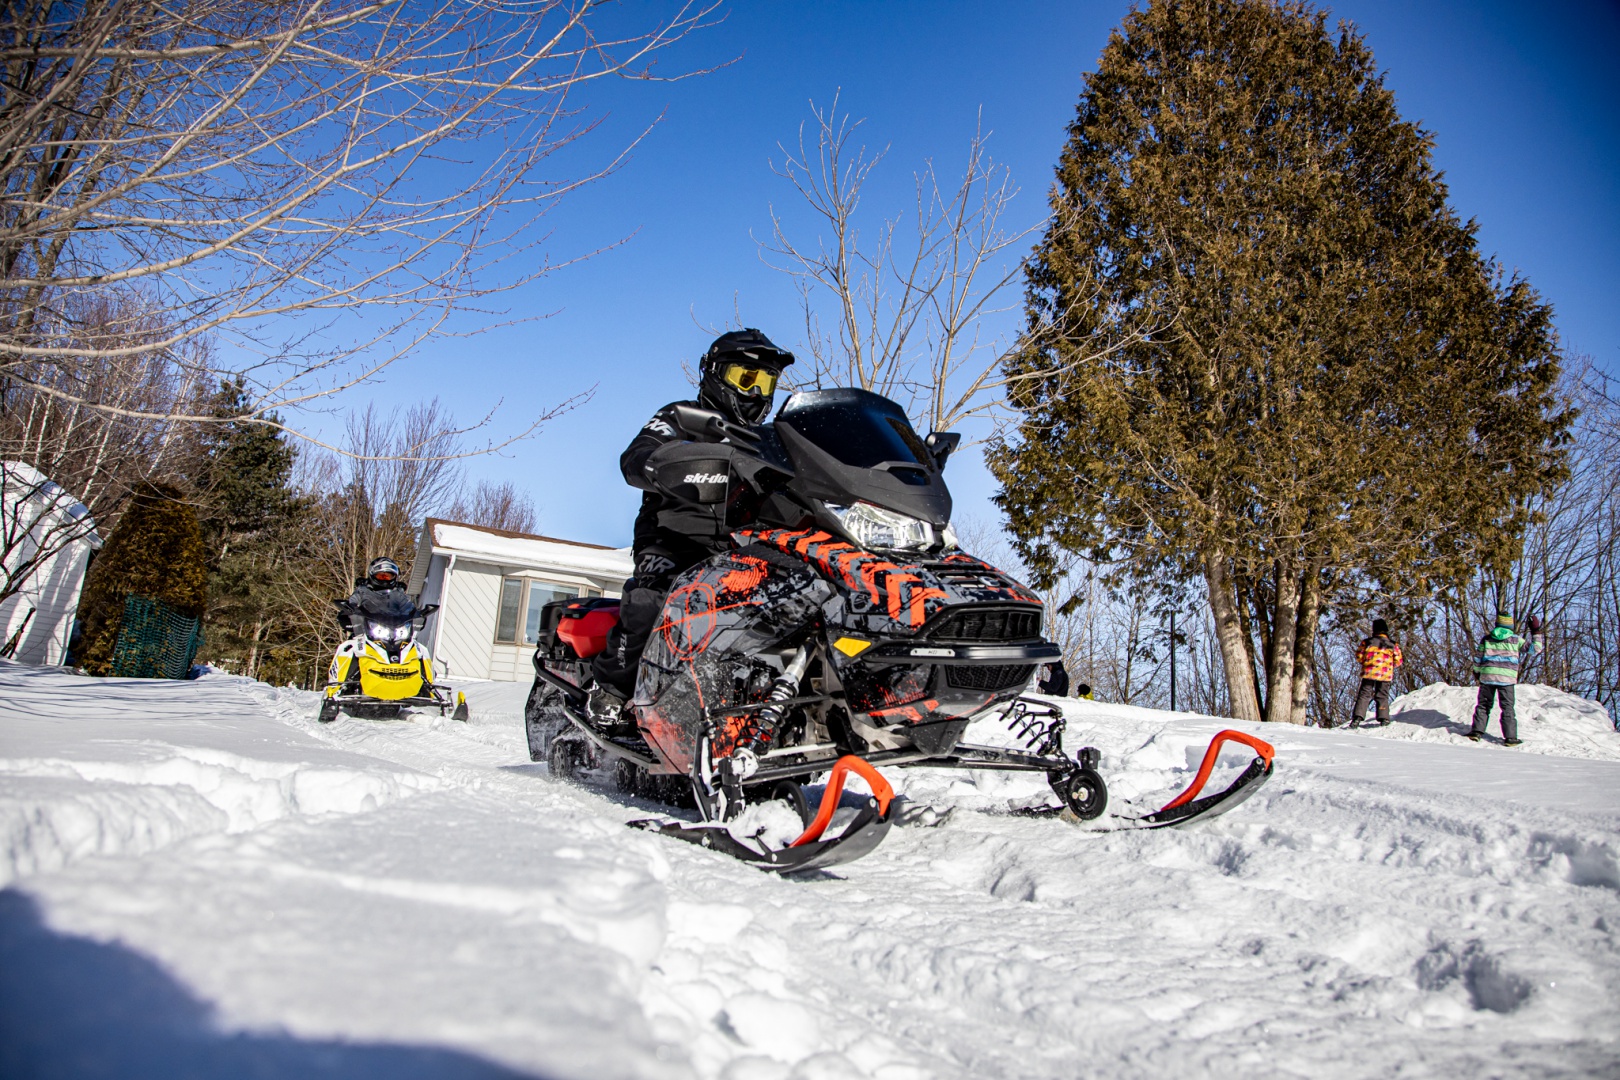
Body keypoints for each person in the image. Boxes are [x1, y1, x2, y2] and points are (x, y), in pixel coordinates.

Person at [589, 329, 796, 713]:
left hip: (745, 546)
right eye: (745, 379)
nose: (755, 393)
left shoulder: (770, 441)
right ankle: (612, 691)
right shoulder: (682, 418)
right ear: (716, 374)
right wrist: (656, 463)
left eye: (765, 382)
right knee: (659, 600)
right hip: (674, 536)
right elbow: (638, 455)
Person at [1466, 611, 1543, 746]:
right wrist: (1536, 630)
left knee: (1483, 705)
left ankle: (1476, 732)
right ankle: (1510, 738)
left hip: (1488, 676)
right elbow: (1535, 648)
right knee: (1507, 707)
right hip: (1507, 679)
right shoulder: (1515, 640)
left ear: (1496, 625)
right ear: (1511, 627)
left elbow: (1478, 658)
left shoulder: (1487, 639)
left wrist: (1477, 672)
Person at [1349, 618, 1403, 727]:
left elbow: (1359, 656)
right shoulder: (1393, 644)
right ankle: (1384, 718)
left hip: (1369, 672)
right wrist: (1389, 666)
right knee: (1382, 695)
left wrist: (1366, 662)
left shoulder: (1367, 642)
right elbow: (1399, 660)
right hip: (1385, 674)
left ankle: (1357, 718)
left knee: (1364, 694)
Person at [338, 557, 406, 636]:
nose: (384, 579)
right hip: (366, 631)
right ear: (372, 575)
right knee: (349, 646)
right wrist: (348, 612)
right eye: (381, 576)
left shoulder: (398, 592)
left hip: (395, 633)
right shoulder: (363, 590)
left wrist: (417, 615)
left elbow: (407, 606)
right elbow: (353, 602)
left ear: (394, 577)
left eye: (387, 576)